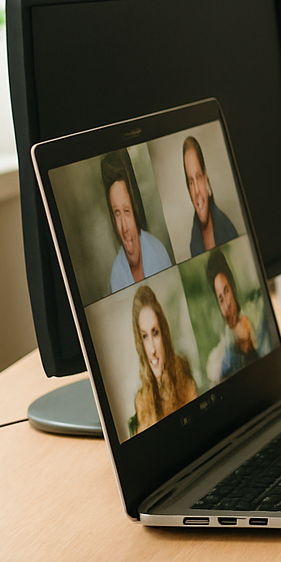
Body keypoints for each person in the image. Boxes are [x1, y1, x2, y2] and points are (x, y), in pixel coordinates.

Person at [130, 283, 198, 432]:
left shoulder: (184, 380)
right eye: (145, 336)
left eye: (155, 333)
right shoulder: (142, 402)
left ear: (164, 334)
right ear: (140, 343)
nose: (152, 349)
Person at [102, 150, 173, 291]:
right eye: (117, 213)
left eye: (127, 211)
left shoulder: (158, 252)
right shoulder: (116, 275)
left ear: (135, 210)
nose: (124, 228)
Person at [203, 249, 268, 382]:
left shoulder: (255, 314)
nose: (226, 305)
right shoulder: (222, 350)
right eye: (220, 299)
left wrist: (251, 338)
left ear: (233, 289)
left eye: (226, 291)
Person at [183, 136, 239, 257]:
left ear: (206, 179)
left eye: (198, 177)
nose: (196, 190)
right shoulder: (193, 243)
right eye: (191, 182)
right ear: (188, 189)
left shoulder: (227, 229)